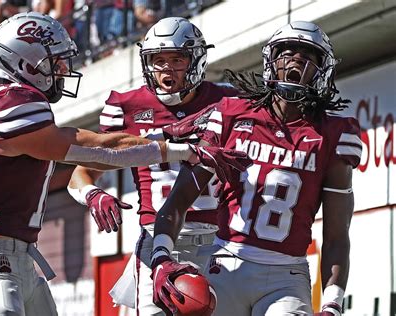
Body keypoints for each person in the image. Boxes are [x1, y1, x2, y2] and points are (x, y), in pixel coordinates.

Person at [0, 12, 247, 316]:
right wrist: (182, 150)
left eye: (177, 59)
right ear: (27, 63)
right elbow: (99, 149)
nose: (63, 69)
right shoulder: (9, 101)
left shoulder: (228, 100)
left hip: (23, 257)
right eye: (55, 61)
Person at [151, 21, 362, 315]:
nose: (296, 60)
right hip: (226, 263)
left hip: (285, 277)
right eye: (286, 52)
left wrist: (332, 304)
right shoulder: (231, 116)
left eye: (307, 56)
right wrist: (160, 258)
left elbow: (338, 235)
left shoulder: (335, 134)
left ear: (322, 71)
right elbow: (179, 200)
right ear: (270, 63)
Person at [67, 17, 243, 314]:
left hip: (220, 242)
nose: (166, 69)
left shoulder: (228, 99)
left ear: (196, 59)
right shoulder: (127, 105)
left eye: (176, 59)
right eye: (157, 60)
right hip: (157, 238)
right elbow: (81, 172)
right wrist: (93, 194)